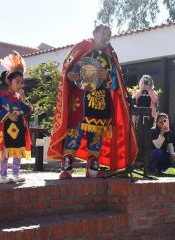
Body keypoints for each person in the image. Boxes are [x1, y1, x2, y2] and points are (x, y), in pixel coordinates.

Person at [48, 25, 136, 179]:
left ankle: (93, 167)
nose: (106, 36)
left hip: (100, 102)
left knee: (96, 135)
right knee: (74, 133)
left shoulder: (111, 57)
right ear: (94, 34)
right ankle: (67, 167)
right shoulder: (82, 48)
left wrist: (107, 76)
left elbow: (116, 84)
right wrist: (70, 76)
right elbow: (67, 69)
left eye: (109, 34)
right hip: (80, 102)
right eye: (103, 33)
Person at [0, 52, 33, 184]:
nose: (20, 84)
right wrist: (7, 114)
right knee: (4, 153)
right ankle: (3, 176)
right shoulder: (0, 95)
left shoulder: (20, 96)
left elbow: (29, 110)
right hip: (5, 127)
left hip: (19, 127)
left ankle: (15, 174)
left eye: (22, 82)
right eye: (17, 82)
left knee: (18, 151)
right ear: (9, 81)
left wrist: (24, 98)